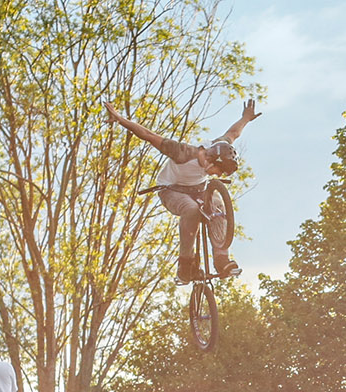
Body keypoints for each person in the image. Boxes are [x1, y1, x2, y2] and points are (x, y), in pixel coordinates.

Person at [104, 97, 259, 281]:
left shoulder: (219, 146)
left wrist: (245, 118)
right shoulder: (182, 153)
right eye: (219, 171)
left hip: (198, 190)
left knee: (218, 204)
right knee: (191, 210)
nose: (218, 176)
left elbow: (233, 133)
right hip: (172, 190)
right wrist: (120, 119)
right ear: (212, 161)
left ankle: (221, 258)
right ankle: (185, 263)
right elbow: (148, 135)